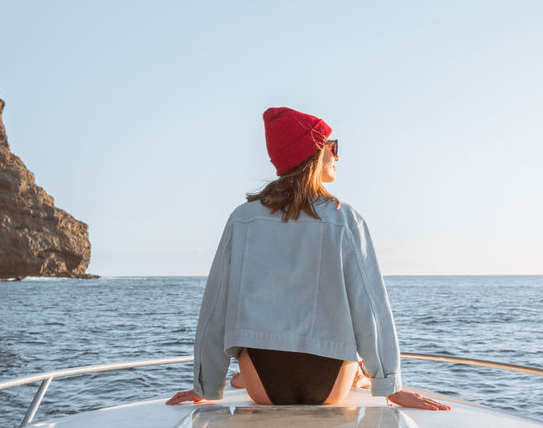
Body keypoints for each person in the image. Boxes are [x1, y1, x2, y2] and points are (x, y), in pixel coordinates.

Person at [167, 106, 450, 411]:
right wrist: (390, 386)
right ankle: (360, 377)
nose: (338, 156)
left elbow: (215, 307)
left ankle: (243, 378)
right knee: (351, 362)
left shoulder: (242, 219)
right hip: (329, 384)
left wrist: (207, 385)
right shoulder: (344, 218)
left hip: (263, 383)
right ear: (313, 153)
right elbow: (370, 307)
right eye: (333, 147)